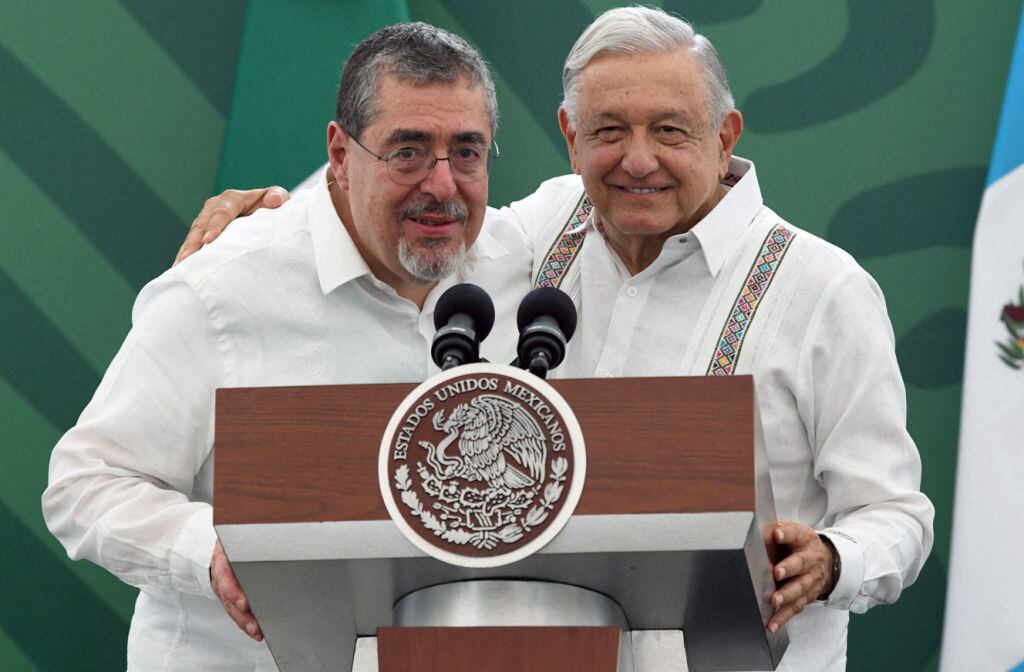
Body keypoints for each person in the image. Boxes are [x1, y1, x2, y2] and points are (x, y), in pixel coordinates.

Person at [182, 7, 935, 671]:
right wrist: (285, 222)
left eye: (669, 130)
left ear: (724, 134)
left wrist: (834, 560)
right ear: (571, 137)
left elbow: (898, 513)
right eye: (609, 131)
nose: (638, 159)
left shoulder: (824, 290)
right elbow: (416, 214)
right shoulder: (544, 226)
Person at [43, 23, 530, 670]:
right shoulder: (224, 285)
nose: (442, 185)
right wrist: (212, 551)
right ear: (339, 151)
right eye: (407, 152)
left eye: (467, 152)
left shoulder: (526, 260)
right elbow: (85, 484)